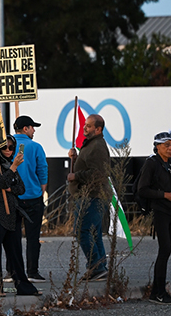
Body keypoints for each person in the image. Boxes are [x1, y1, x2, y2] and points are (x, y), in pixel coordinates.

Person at [0, 135, 40, 297]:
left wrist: (10, 185)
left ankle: (23, 287)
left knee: (15, 253)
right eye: (4, 147)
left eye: (11, 148)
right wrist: (12, 170)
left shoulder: (7, 165)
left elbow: (20, 188)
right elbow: (1, 183)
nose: (8, 151)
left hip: (12, 215)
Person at [137, 131, 171, 305]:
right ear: (157, 146)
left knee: (166, 251)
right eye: (167, 145)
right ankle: (159, 292)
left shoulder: (169, 164)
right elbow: (142, 189)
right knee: (164, 250)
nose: (170, 148)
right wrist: (165, 195)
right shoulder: (151, 163)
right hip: (159, 211)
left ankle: (156, 292)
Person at [67, 114, 111, 281]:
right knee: (94, 233)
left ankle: (96, 267)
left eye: (89, 126)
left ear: (98, 129)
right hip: (91, 196)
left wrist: (76, 176)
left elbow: (98, 174)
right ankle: (100, 268)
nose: (84, 128)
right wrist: (75, 158)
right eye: (85, 125)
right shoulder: (91, 145)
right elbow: (90, 165)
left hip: (92, 196)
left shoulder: (97, 147)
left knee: (81, 231)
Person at [6, 115, 48, 283]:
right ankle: (32, 271)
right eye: (32, 127)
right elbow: (42, 170)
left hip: (11, 197)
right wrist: (41, 190)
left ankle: (12, 271)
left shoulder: (7, 146)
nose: (34, 130)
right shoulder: (35, 147)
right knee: (32, 237)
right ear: (25, 129)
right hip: (32, 196)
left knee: (11, 237)